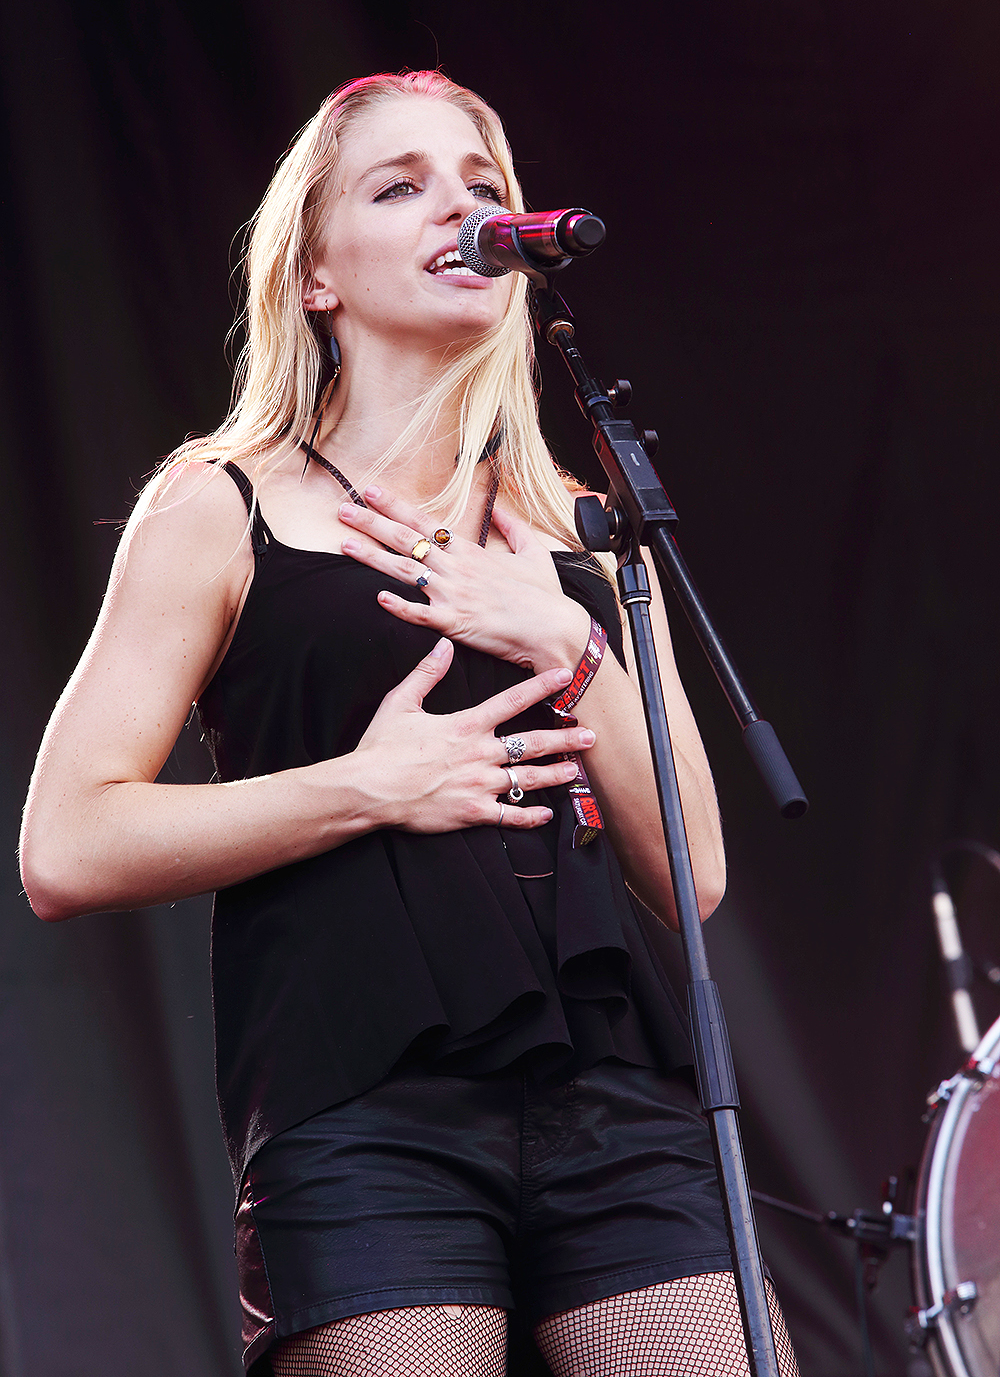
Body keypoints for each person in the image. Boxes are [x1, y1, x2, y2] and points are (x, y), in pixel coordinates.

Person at [19, 71, 797, 1377]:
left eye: (485, 184)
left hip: (617, 1098)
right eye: (403, 185)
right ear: (314, 273)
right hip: (366, 1116)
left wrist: (574, 643)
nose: (466, 207)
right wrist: (372, 786)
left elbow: (695, 877)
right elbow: (67, 845)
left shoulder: (571, 525)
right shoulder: (220, 505)